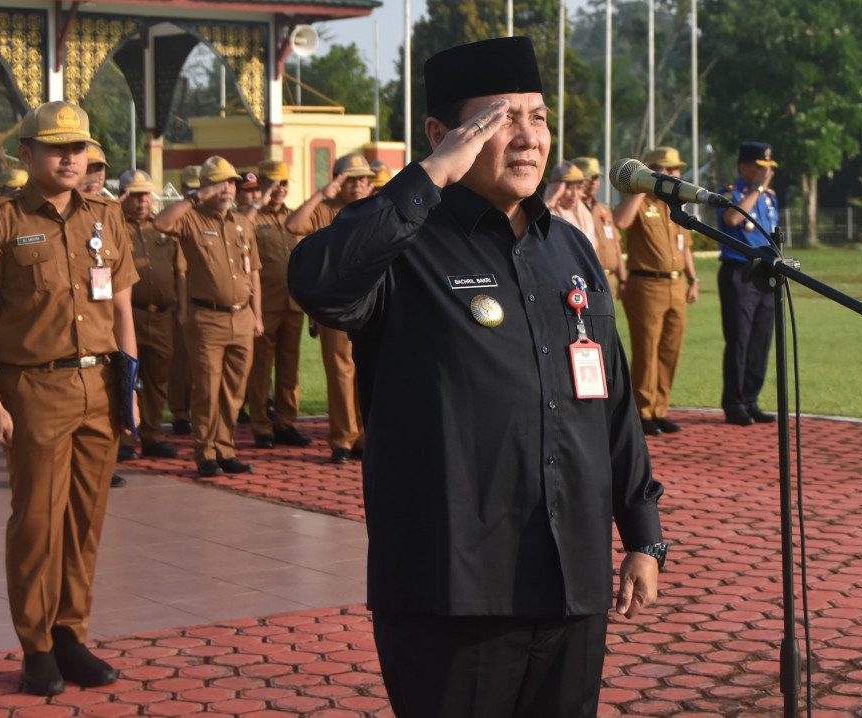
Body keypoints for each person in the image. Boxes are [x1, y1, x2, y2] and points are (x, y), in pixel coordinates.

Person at [288, 36, 665, 718]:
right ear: (443, 134)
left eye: (540, 117)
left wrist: (642, 532)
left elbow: (608, 400)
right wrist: (428, 179)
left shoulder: (569, 248)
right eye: (500, 119)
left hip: (571, 583)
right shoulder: (402, 243)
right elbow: (317, 282)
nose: (528, 138)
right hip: (455, 592)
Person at [0, 101, 138, 695]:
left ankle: (70, 634)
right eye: (56, 147)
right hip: (34, 389)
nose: (69, 157)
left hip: (99, 385)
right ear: (26, 154)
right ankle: (36, 646)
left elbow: (121, 308)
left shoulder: (106, 218)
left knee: (86, 521)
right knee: (36, 522)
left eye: (78, 147)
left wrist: (129, 389)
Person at [153, 156, 259, 478]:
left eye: (231, 183)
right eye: (220, 182)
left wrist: (258, 315)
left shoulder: (242, 222)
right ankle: (205, 452)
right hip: (207, 318)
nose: (228, 188)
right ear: (206, 188)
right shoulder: (192, 220)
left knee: (234, 389)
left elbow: (253, 270)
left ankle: (226, 448)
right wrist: (196, 196)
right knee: (207, 389)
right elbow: (162, 223)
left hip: (241, 316)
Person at [285, 153, 371, 463]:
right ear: (338, 181)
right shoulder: (324, 210)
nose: (360, 184)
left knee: (367, 370)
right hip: (337, 304)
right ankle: (342, 439)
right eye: (352, 178)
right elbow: (293, 224)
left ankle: (364, 435)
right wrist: (323, 192)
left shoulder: (372, 209)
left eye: (364, 178)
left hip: (371, 301)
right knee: (339, 371)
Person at [613, 146, 700, 437]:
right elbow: (621, 222)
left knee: (670, 350)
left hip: (677, 284)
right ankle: (642, 410)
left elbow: (684, 247)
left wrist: (693, 278)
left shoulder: (674, 207)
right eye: (665, 169)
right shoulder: (641, 201)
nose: (672, 174)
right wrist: (640, 185)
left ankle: (660, 409)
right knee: (646, 350)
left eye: (675, 170)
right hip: (647, 284)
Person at [240, 160, 310, 449]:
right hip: (263, 305)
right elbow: (240, 229)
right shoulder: (250, 216)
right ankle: (261, 426)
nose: (280, 189)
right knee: (260, 369)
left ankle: (286, 423)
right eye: (274, 183)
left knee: (289, 367)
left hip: (293, 304)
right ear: (263, 185)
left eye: (284, 183)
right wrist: (261, 200)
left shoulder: (294, 218)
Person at [118, 169, 182, 458]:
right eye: (135, 194)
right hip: (127, 316)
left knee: (158, 378)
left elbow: (179, 270)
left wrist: (181, 307)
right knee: (125, 377)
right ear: (123, 196)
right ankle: (126, 438)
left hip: (161, 316)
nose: (142, 201)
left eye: (146, 194)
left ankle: (153, 434)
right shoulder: (114, 226)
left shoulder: (163, 227)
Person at [717, 142, 781, 425]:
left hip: (764, 273)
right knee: (739, 339)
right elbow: (731, 218)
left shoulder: (769, 198)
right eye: (759, 165)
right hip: (739, 273)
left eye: (768, 166)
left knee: (760, 339)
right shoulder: (732, 194)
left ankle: (751, 398)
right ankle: (734, 402)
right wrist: (756, 189)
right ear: (744, 167)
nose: (765, 171)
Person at [77, 146, 127, 490]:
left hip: (104, 325)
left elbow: (120, 287)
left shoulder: (110, 212)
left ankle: (105, 465)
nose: (95, 176)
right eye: (89, 168)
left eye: (100, 169)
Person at [167, 165, 200, 437]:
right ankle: (179, 412)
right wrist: (181, 306)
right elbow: (179, 269)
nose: (197, 193)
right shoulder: (179, 218)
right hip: (183, 300)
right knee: (180, 362)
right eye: (191, 188)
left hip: (206, 300)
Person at [575, 156, 627, 295]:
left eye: (596, 177)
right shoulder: (569, 210)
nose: (593, 182)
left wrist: (622, 279)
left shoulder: (604, 210)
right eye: (588, 177)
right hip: (583, 280)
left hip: (608, 280)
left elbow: (615, 245)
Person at [544, 161, 598, 249]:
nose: (574, 194)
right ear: (555, 188)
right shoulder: (548, 213)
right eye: (568, 188)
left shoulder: (584, 214)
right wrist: (551, 202)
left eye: (578, 188)